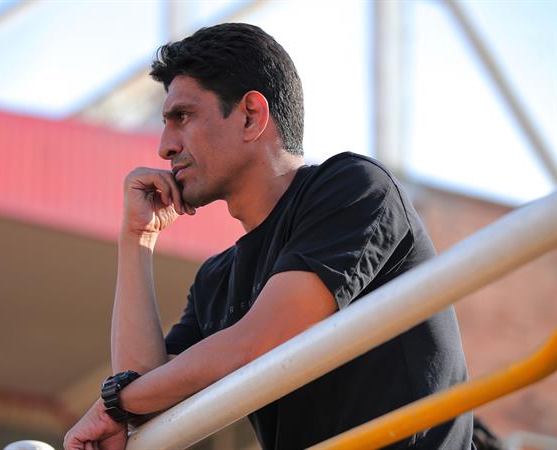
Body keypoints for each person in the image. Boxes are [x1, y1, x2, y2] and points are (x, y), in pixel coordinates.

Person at [64, 23, 473, 450]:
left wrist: (116, 402)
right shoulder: (216, 281)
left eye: (182, 117)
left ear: (250, 116)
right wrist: (138, 236)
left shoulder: (356, 186)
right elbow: (147, 395)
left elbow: (260, 342)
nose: (164, 147)